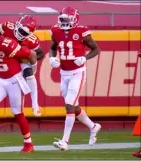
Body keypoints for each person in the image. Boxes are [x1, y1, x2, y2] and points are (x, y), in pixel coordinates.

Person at [0, 22, 37, 153]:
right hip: (0, 79)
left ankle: (28, 143)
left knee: (17, 113)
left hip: (14, 80)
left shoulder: (8, 44)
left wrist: (32, 71)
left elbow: (31, 54)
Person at [49, 6, 101, 151]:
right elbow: (53, 47)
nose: (64, 22)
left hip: (78, 72)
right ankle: (93, 126)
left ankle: (65, 141)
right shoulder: (55, 31)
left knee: (69, 105)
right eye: (63, 19)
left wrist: (84, 58)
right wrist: (52, 58)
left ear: (75, 19)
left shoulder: (82, 31)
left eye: (67, 19)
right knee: (74, 107)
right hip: (64, 73)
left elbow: (96, 49)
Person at [0, 15, 44, 118]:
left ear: (30, 34)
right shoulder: (6, 26)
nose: (20, 33)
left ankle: (35, 104)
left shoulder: (32, 40)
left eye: (24, 33)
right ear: (17, 24)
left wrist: (29, 61)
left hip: (19, 60)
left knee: (29, 75)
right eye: (20, 29)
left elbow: (40, 54)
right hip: (2, 59)